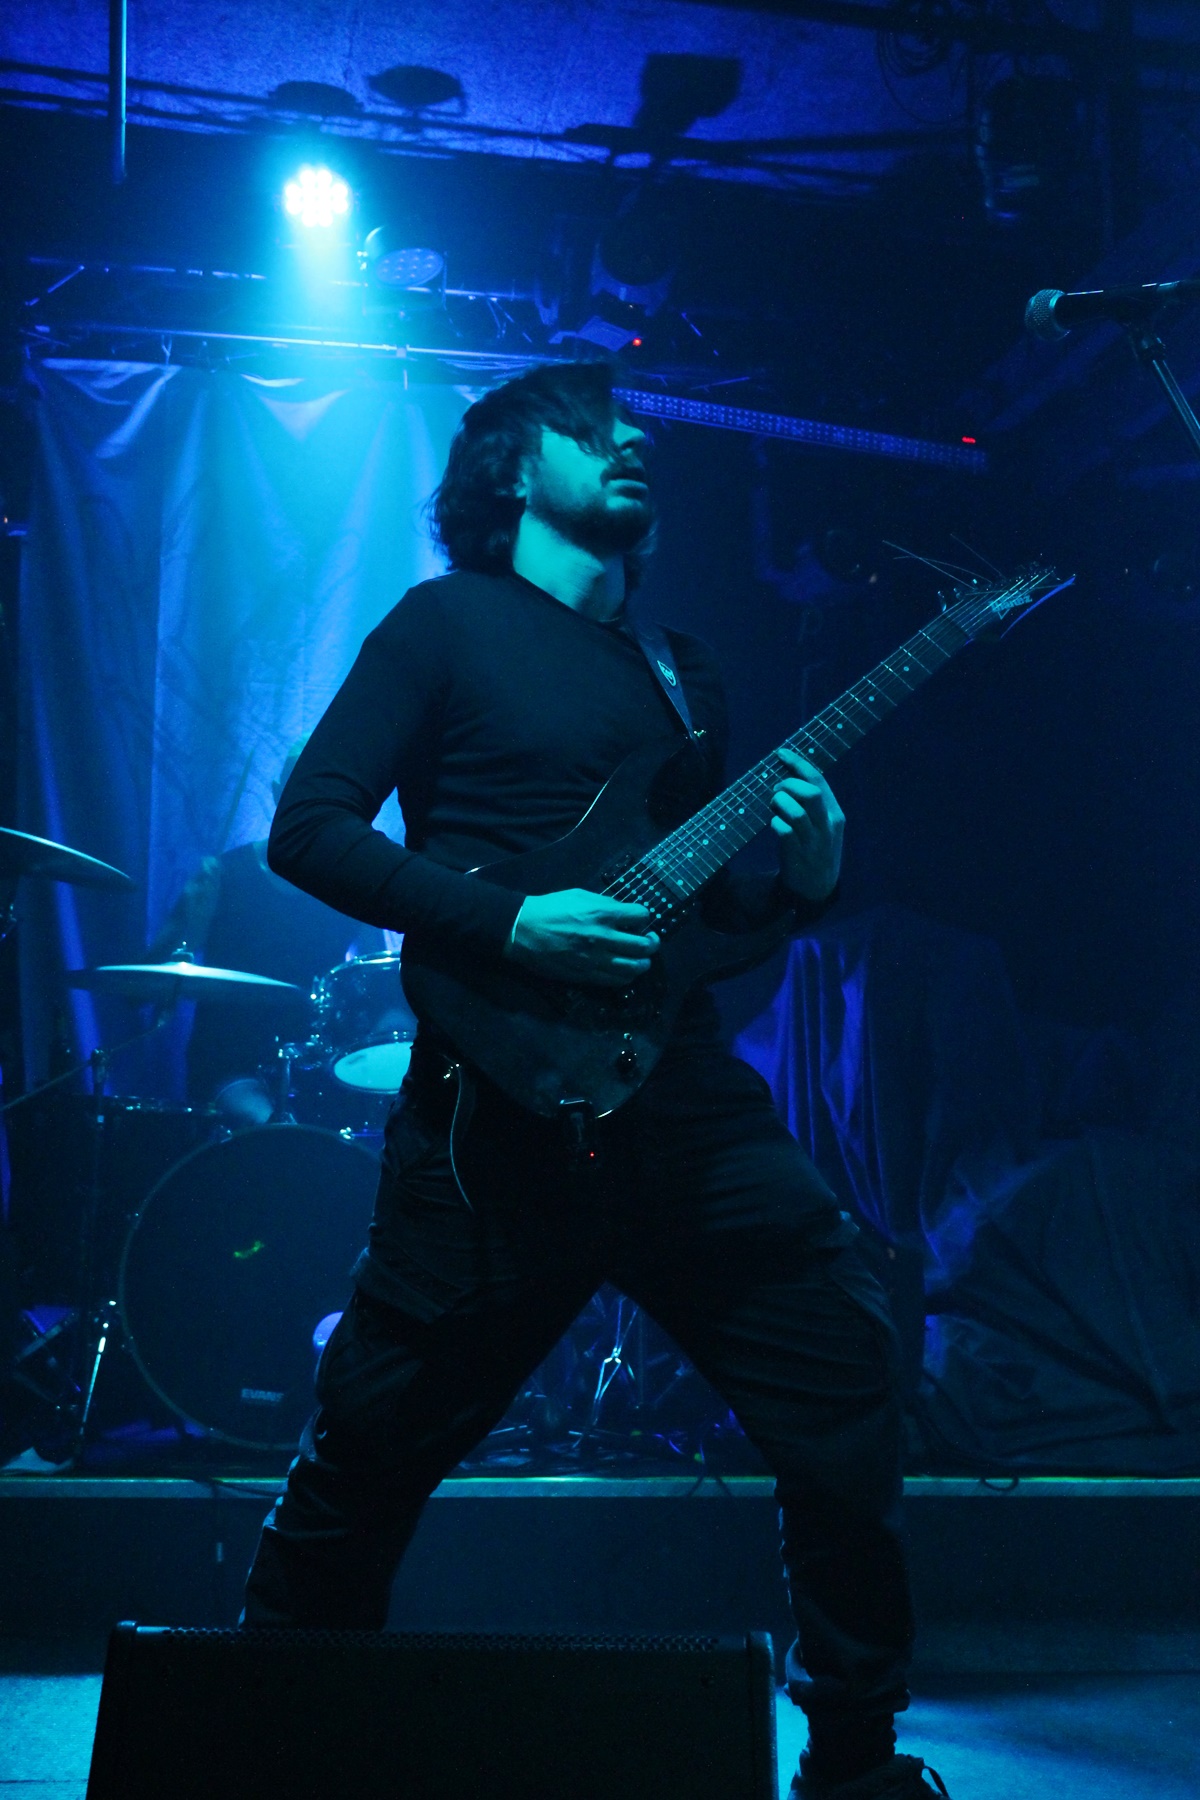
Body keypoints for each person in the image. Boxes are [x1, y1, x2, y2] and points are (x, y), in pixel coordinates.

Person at [242, 362, 947, 1800]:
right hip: (491, 1113)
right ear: (511, 471)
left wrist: (801, 885)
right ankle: (255, 1739)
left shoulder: (684, 671)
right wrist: (510, 921)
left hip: (681, 1103)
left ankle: (856, 1758)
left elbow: (696, 937)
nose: (632, 440)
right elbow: (307, 830)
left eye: (635, 432)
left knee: (844, 1370)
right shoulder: (444, 624)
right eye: (590, 428)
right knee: (370, 1449)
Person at [150, 745, 388, 1122]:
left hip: (318, 1068)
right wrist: (192, 931)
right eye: (301, 788)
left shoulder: (353, 883)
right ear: (277, 793)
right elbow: (142, 986)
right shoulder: (224, 876)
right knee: (274, 1130)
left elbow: (378, 986)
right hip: (229, 1066)